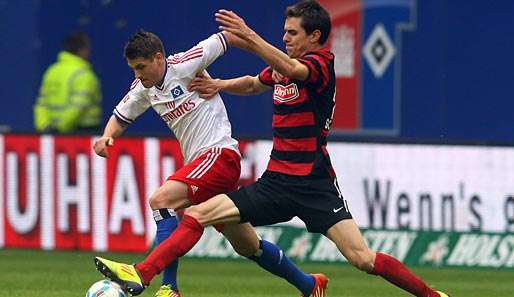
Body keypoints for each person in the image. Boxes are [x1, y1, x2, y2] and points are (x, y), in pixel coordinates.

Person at [94, 2, 450, 297]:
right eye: (283, 32)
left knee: (362, 259)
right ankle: (143, 275)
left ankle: (433, 296)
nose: (285, 37)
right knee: (203, 219)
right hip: (277, 182)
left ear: (315, 36)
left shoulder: (320, 64)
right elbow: (253, 83)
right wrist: (219, 84)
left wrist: (250, 37)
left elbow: (292, 67)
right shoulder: (280, 70)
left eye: (292, 33)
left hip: (315, 184)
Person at [93, 29, 327, 297]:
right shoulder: (143, 89)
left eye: (141, 67)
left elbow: (230, 37)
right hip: (203, 168)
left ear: (159, 58)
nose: (137, 74)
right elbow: (120, 117)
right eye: (133, 69)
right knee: (250, 246)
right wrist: (107, 137)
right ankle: (310, 285)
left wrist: (277, 62)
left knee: (161, 200)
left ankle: (169, 288)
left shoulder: (186, 63)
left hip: (219, 155)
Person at [34, 32, 102, 134]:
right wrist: (61, 129)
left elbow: (41, 104)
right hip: (83, 133)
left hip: (51, 132)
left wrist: (44, 127)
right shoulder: (84, 75)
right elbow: (78, 107)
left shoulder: (51, 71)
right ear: (82, 50)